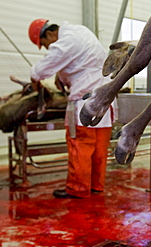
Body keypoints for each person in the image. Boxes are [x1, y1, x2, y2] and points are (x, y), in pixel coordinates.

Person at [28, 19, 114, 198]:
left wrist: (34, 77)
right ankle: (96, 185)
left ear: (50, 34)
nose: (47, 48)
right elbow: (78, 65)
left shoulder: (66, 39)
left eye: (45, 44)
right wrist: (61, 78)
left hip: (84, 102)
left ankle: (78, 188)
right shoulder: (81, 32)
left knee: (80, 144)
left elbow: (44, 67)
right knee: (99, 147)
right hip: (105, 100)